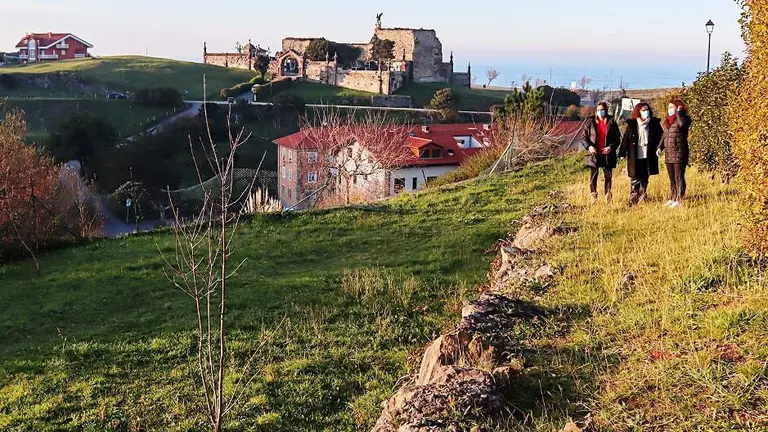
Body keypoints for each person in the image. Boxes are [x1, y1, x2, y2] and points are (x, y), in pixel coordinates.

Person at [619, 102, 663, 205]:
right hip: (635, 154)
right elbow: (626, 139)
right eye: (643, 110)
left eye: (647, 110)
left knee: (645, 175)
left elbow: (661, 137)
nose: (646, 112)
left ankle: (643, 195)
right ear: (638, 112)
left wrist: (660, 147)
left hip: (648, 154)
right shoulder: (633, 124)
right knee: (635, 176)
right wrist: (622, 153)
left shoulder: (654, 123)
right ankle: (633, 197)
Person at [582, 101, 621, 203]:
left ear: (606, 110)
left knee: (608, 176)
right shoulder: (590, 122)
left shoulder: (611, 122)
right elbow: (583, 137)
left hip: (607, 154)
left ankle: (608, 195)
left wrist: (611, 148)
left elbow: (617, 139)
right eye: (598, 110)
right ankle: (593, 196)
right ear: (595, 110)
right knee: (593, 176)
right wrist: (589, 146)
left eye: (602, 110)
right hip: (594, 154)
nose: (600, 112)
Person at [657, 99, 692, 208]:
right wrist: (659, 147)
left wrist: (679, 113)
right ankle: (673, 197)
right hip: (669, 153)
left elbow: (682, 124)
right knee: (672, 177)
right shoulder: (666, 121)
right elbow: (665, 136)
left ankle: (679, 199)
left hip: (679, 152)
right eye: (669, 107)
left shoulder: (685, 119)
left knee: (679, 177)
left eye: (672, 107)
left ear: (678, 108)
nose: (670, 110)